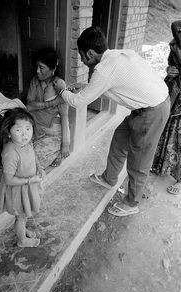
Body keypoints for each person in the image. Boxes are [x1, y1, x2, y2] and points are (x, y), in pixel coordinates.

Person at [45, 26, 170, 217]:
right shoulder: (119, 54)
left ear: (90, 53)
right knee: (120, 137)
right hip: (148, 105)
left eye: (81, 56)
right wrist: (84, 87)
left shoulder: (103, 70)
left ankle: (131, 202)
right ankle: (109, 178)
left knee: (139, 159)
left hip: (152, 111)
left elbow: (78, 102)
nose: (82, 61)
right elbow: (109, 83)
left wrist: (63, 90)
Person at [0, 107, 46, 247]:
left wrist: (40, 168)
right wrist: (31, 180)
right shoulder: (11, 152)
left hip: (27, 187)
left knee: (23, 214)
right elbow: (8, 179)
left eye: (28, 129)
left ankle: (23, 230)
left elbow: (33, 156)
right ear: (8, 132)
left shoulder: (27, 143)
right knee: (20, 216)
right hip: (17, 191)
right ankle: (22, 240)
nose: (24, 134)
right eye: (18, 130)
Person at [26, 48, 70, 167]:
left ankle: (56, 153)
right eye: (37, 66)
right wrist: (52, 103)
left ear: (53, 69)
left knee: (33, 164)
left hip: (52, 134)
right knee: (19, 156)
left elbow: (65, 115)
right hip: (35, 130)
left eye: (41, 67)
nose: (37, 71)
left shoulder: (59, 85)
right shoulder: (34, 81)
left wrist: (65, 144)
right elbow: (29, 106)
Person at [152, 20, 181, 195]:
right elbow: (171, 65)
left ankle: (179, 179)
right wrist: (171, 69)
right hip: (173, 91)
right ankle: (158, 165)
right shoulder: (174, 45)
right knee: (165, 128)